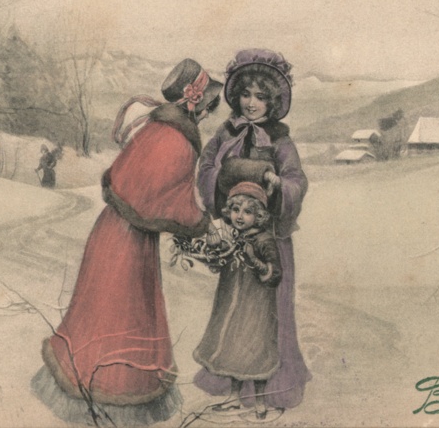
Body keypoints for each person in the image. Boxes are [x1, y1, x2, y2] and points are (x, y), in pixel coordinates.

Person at [35, 58, 223, 423]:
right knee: (120, 316)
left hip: (113, 232)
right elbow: (161, 200)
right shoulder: (176, 140)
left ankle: (88, 386)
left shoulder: (157, 129)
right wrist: (203, 225)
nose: (207, 114)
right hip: (128, 244)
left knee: (99, 313)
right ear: (193, 102)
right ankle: (111, 400)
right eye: (207, 106)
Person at [195, 48, 311, 410]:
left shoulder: (280, 140)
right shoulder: (225, 133)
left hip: (268, 241)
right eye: (245, 94)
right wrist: (224, 180)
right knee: (234, 314)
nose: (251, 103)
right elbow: (205, 169)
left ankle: (262, 393)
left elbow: (297, 181)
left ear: (272, 101)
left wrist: (278, 185)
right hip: (236, 239)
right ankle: (234, 389)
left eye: (260, 96)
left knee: (266, 317)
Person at [193, 181, 282, 420]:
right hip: (232, 300)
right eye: (235, 210)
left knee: (257, 347)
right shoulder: (232, 236)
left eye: (248, 212)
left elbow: (275, 275)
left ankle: (260, 402)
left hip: (257, 305)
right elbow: (220, 263)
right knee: (234, 345)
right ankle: (234, 398)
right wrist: (212, 252)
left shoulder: (264, 240)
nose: (240, 216)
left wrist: (254, 260)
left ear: (259, 216)